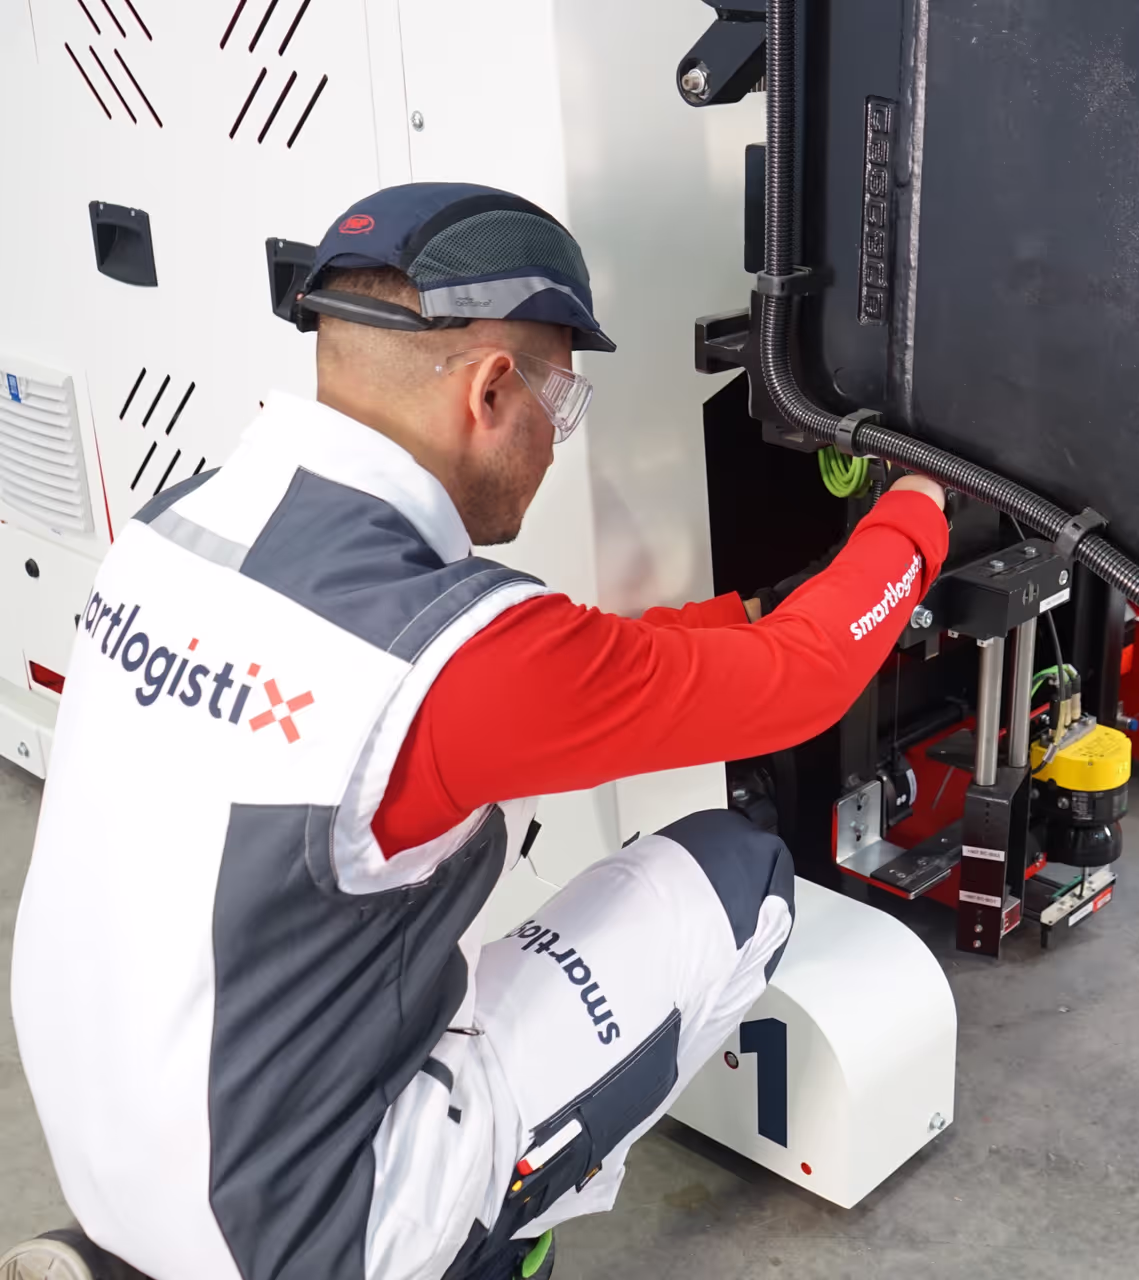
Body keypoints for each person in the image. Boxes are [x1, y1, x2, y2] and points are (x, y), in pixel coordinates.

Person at [4, 183, 948, 1280]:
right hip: (310, 1234)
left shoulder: (172, 528)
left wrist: (744, 617)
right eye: (562, 399)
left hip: (108, 1163)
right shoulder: (451, 658)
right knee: (739, 875)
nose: (554, 440)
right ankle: (478, 1246)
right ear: (492, 388)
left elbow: (579, 665)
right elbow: (805, 681)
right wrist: (918, 506)